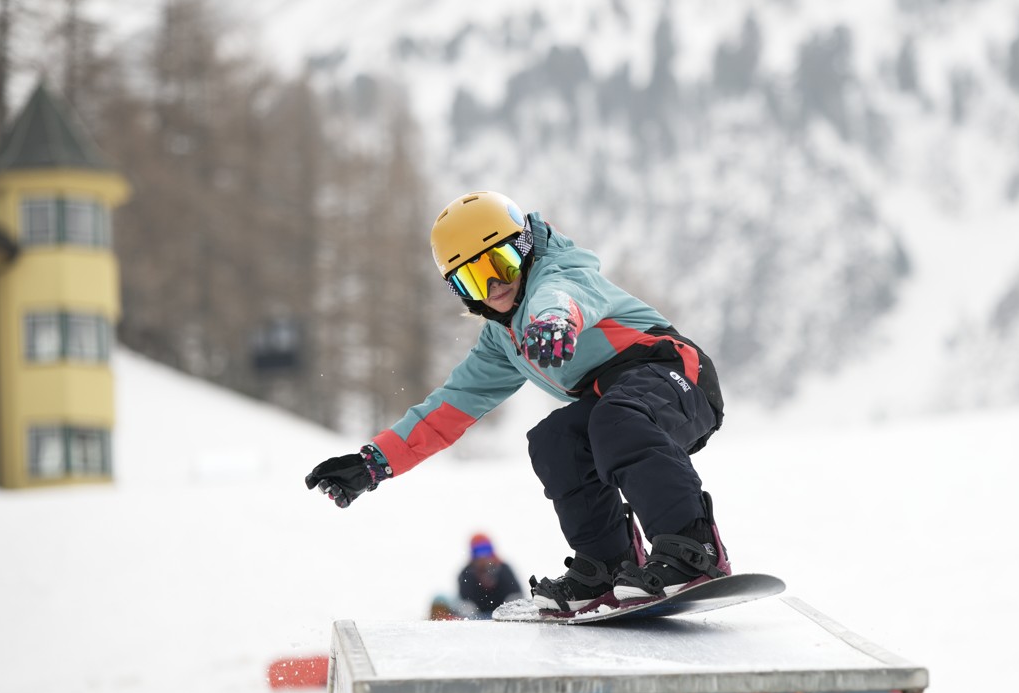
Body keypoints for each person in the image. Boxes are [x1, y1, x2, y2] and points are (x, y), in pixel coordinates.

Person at [305, 191, 727, 619]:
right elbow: (449, 407)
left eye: (500, 263)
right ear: (459, 290)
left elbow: (562, 294)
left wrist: (553, 322)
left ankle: (693, 548)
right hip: (614, 398)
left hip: (675, 372)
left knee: (614, 420)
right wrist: (374, 462)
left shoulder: (561, 269)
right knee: (554, 440)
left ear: (524, 249)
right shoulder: (502, 342)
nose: (494, 285)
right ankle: (609, 564)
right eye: (474, 279)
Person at [458, 533, 522, 617]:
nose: (483, 556)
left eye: (486, 550)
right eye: (478, 551)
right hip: (476, 620)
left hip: (504, 617)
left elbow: (516, 594)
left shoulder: (504, 570)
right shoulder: (467, 573)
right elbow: (464, 601)